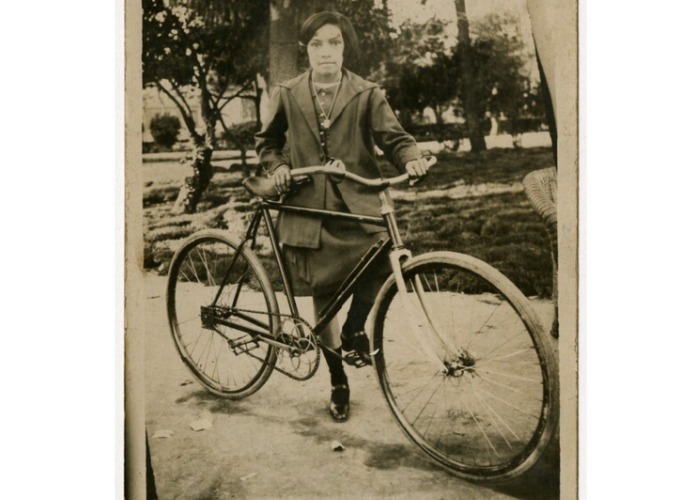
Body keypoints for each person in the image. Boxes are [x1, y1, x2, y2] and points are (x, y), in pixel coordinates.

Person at [255, 11, 429, 422]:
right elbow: (268, 142)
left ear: (344, 48)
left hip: (357, 203)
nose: (326, 52)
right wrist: (277, 167)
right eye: (317, 44)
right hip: (308, 208)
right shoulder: (290, 91)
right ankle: (337, 381)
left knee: (381, 252)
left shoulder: (366, 92)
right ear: (307, 50)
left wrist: (414, 158)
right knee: (324, 299)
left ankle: (355, 330)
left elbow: (395, 139)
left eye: (334, 43)